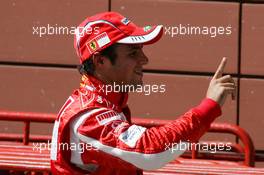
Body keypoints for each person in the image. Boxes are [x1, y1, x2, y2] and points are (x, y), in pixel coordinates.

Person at [50, 12, 236, 175]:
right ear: (100, 62)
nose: (144, 60)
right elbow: (150, 152)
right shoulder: (88, 118)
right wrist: (210, 105)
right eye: (133, 53)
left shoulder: (103, 103)